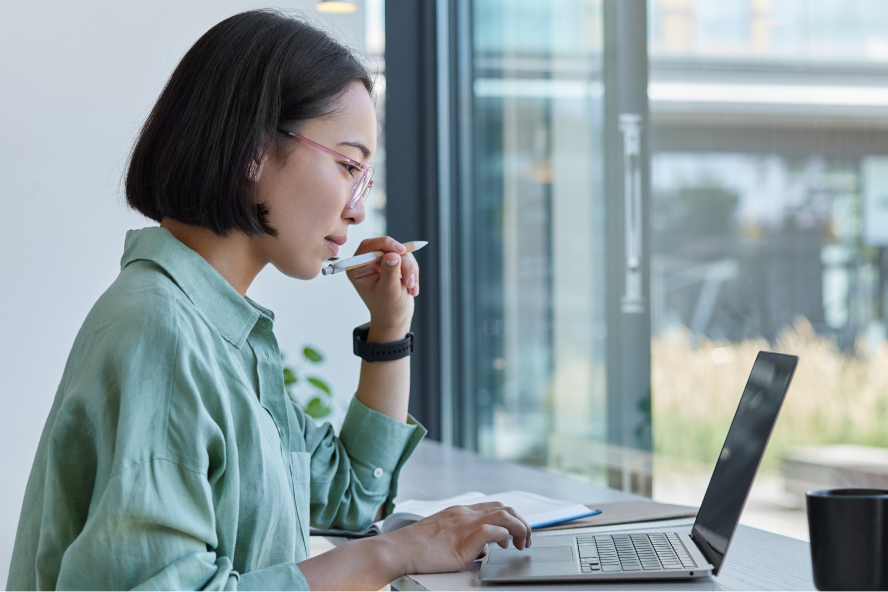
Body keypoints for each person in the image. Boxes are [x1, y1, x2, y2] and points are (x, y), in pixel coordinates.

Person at [7, 10, 531, 592]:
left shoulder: (221, 333)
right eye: (348, 165)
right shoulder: (158, 333)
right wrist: (393, 555)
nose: (358, 208)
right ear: (254, 152)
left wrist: (390, 327)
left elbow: (352, 494)